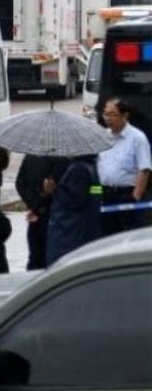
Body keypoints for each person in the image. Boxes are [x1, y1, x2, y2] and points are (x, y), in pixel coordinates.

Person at [96, 99, 152, 235]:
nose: (107, 118)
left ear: (125, 115)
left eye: (112, 114)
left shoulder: (137, 138)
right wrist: (95, 195)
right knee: (105, 238)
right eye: (105, 114)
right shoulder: (103, 136)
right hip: (104, 194)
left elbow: (144, 170)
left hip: (127, 196)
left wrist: (135, 197)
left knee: (128, 238)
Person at [46, 153, 103, 267]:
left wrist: (54, 190)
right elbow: (94, 194)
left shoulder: (78, 169)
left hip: (70, 233)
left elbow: (74, 200)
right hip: (85, 226)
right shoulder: (92, 166)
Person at [16, 153, 67, 270]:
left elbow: (19, 184)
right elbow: (65, 189)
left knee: (35, 257)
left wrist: (34, 206)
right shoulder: (62, 159)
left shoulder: (30, 157)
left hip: (35, 216)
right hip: (54, 216)